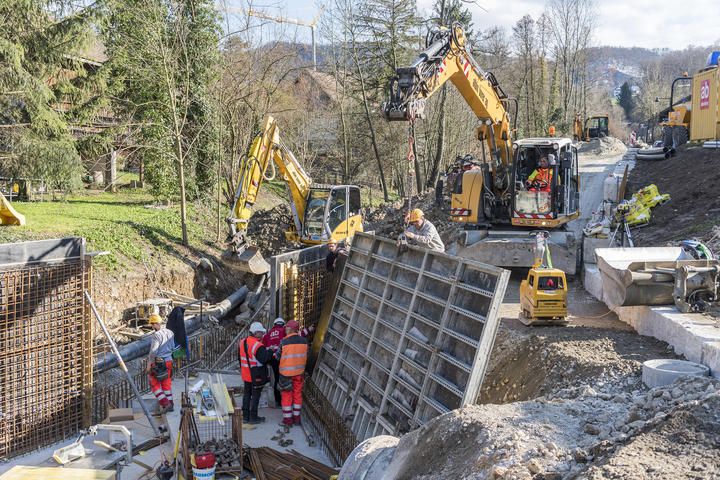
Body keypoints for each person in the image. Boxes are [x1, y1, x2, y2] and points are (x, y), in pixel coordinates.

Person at [239, 322, 273, 424]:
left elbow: (240, 359)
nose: (262, 335)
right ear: (256, 332)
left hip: (246, 374)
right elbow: (264, 359)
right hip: (256, 375)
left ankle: (245, 416)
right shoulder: (258, 345)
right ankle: (253, 417)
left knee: (246, 395)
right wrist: (270, 351)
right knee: (255, 396)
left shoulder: (242, 342)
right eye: (261, 333)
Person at [277, 320, 308, 426]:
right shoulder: (304, 341)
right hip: (299, 373)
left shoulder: (284, 342)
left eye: (286, 328)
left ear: (290, 329)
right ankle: (296, 418)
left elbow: (277, 357)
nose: (285, 329)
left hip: (286, 374)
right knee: (297, 394)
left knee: (286, 395)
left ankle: (287, 420)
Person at [146, 313, 175, 413]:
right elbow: (173, 346)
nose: (152, 327)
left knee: (154, 384)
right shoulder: (170, 332)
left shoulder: (156, 335)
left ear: (155, 324)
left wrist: (149, 365)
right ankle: (170, 404)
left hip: (159, 363)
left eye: (152, 325)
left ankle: (165, 403)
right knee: (166, 384)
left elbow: (153, 352)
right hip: (169, 361)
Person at [262, 318, 287, 406]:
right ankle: (284, 400)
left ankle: (278, 400)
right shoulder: (284, 330)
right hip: (282, 358)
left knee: (277, 378)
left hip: (272, 359)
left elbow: (263, 348)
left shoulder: (267, 334)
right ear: (283, 324)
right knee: (285, 379)